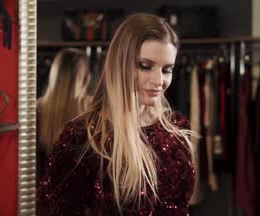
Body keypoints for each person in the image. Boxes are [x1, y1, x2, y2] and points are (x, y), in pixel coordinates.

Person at [39, 13, 195, 215]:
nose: (159, 80)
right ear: (120, 64)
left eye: (167, 70)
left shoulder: (176, 129)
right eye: (145, 66)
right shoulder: (82, 138)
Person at [36, 48, 92, 183]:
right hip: (83, 192)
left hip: (46, 192)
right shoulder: (92, 108)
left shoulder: (37, 108)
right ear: (84, 77)